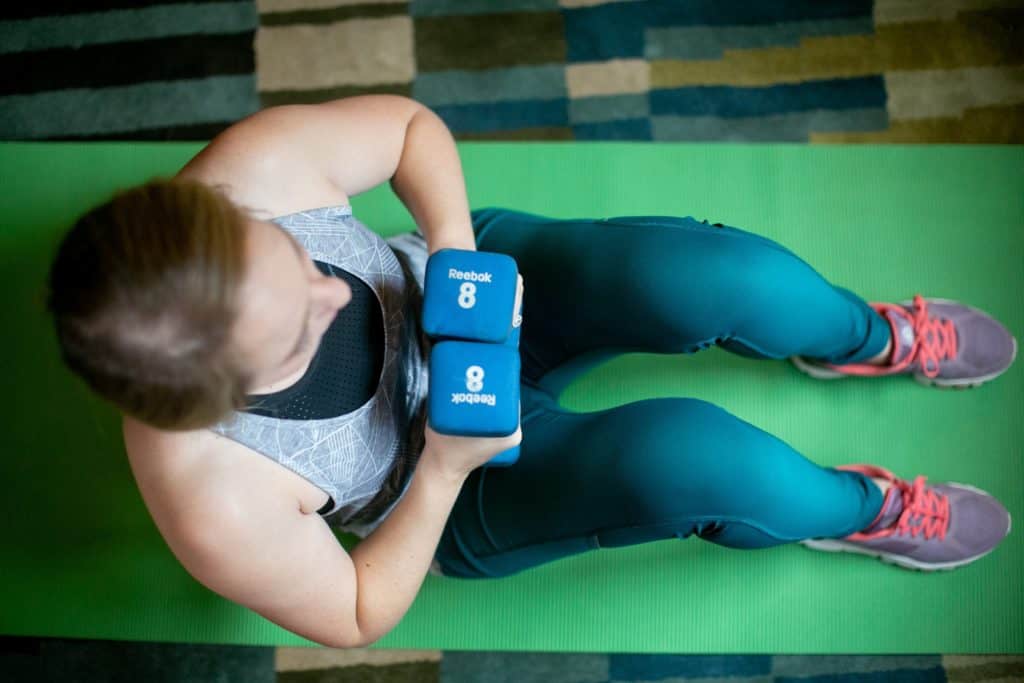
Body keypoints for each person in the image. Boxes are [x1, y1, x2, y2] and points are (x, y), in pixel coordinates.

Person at [45, 96, 1015, 649]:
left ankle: (853, 333)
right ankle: (860, 511)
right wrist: (441, 467)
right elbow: (353, 612)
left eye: (298, 265)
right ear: (215, 401)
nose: (335, 296)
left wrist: (457, 258)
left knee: (712, 277)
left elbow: (409, 133)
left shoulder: (245, 173)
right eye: (296, 333)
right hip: (452, 483)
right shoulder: (213, 497)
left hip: (485, 290)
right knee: (694, 458)